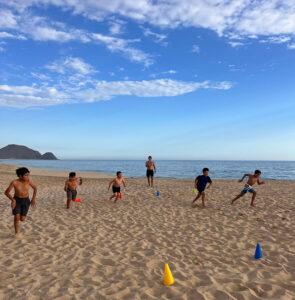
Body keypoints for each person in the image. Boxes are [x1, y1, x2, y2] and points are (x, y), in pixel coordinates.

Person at [4, 167, 37, 235]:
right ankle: (17, 233)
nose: (28, 176)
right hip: (17, 200)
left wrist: (33, 198)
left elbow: (35, 188)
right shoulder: (14, 182)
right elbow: (6, 192)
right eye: (26, 175)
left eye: (28, 175)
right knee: (16, 217)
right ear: (20, 176)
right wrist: (13, 200)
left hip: (26, 200)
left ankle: (19, 221)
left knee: (22, 219)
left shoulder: (28, 181)